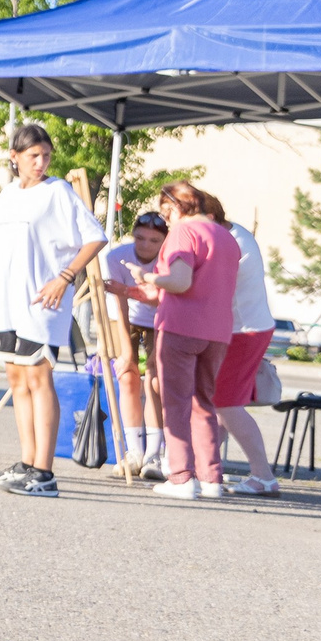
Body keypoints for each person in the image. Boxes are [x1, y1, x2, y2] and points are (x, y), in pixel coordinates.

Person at [0, 122, 106, 498]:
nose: (41, 162)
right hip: (9, 304)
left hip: (43, 302)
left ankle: (44, 471)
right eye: (33, 155)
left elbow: (95, 237)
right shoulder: (8, 194)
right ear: (14, 157)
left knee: (39, 380)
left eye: (46, 155)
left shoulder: (59, 192)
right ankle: (26, 462)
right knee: (17, 381)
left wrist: (64, 278)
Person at [115, 181, 240, 499]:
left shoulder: (183, 233)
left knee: (176, 402)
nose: (165, 219)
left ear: (173, 208)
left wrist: (146, 277)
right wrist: (134, 290)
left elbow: (180, 283)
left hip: (181, 327)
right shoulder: (225, 236)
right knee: (203, 404)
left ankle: (182, 477)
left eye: (165, 211)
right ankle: (211, 477)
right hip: (218, 331)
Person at [214, 204, 281, 497]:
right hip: (245, 327)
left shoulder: (230, 242)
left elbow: (208, 285)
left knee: (226, 404)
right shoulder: (236, 234)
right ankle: (202, 465)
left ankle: (263, 475)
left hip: (243, 330)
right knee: (221, 404)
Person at [99, 212, 168, 474]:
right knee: (127, 375)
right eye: (140, 238)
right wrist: (126, 351)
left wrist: (127, 291)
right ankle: (134, 450)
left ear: (163, 241)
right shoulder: (116, 256)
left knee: (155, 379)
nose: (145, 245)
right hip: (126, 316)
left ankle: (154, 453)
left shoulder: (169, 259)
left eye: (153, 240)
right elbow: (119, 301)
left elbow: (163, 300)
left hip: (161, 318)